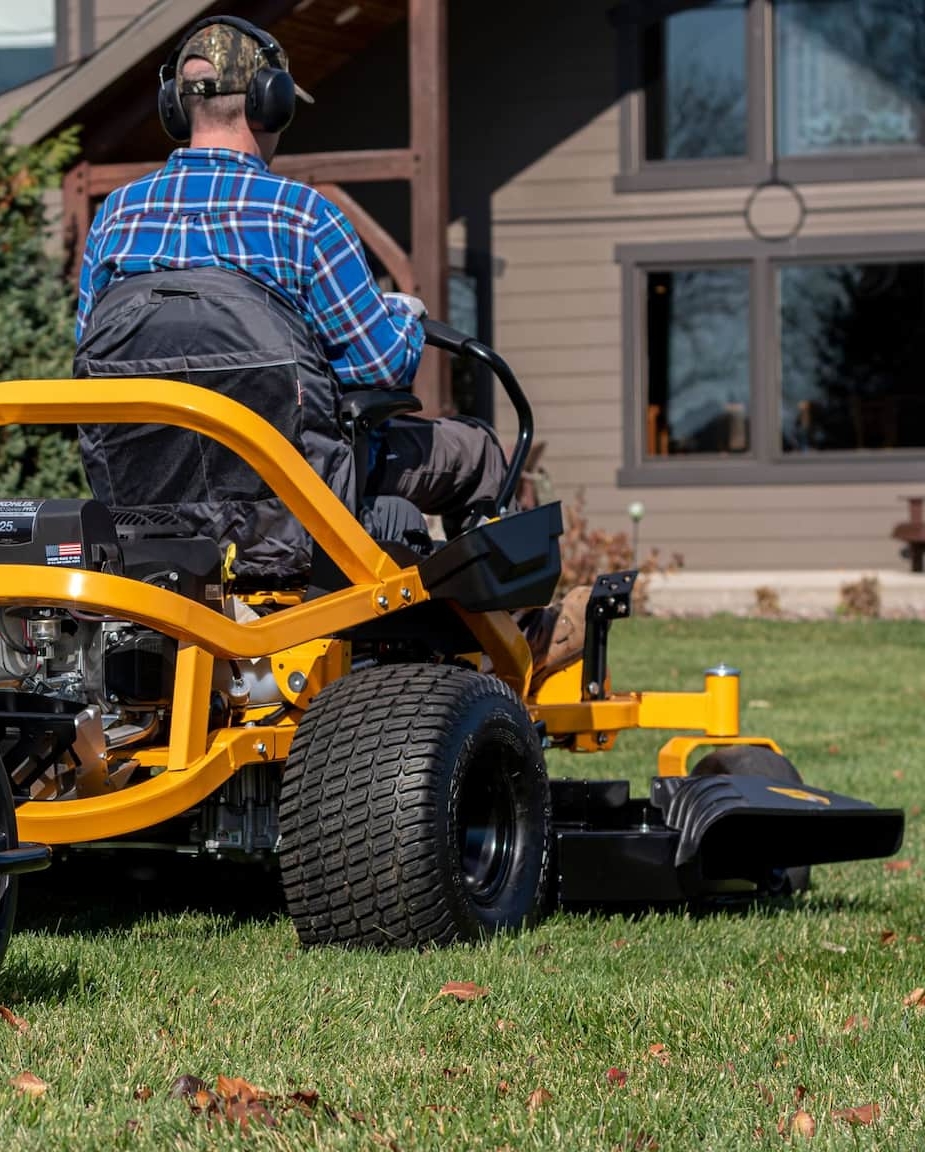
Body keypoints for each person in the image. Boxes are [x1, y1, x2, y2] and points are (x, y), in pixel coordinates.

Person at [73, 14, 583, 679]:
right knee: (479, 453)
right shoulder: (300, 217)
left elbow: (94, 360)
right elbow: (379, 364)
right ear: (271, 103)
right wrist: (404, 315)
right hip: (297, 504)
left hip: (149, 514)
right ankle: (518, 645)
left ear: (177, 107)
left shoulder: (115, 220)